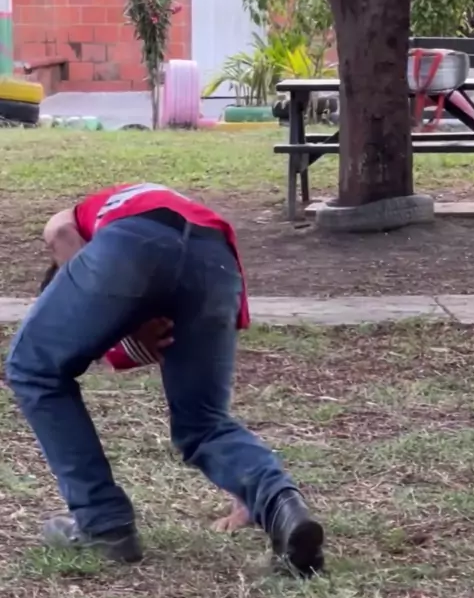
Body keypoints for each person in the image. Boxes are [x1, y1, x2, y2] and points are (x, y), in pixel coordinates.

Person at [6, 182, 324, 576]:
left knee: (33, 367)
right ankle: (282, 508)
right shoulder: (134, 202)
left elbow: (58, 231)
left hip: (133, 245)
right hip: (216, 258)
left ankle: (102, 524)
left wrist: (117, 316)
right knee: (204, 423)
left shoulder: (76, 226)